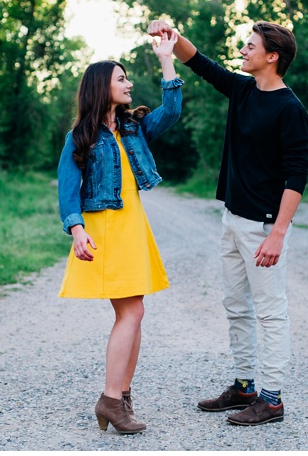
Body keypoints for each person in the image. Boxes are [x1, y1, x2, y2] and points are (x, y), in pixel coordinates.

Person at [146, 19, 308, 426]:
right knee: (236, 307)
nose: (243, 50)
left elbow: (297, 175)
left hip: (263, 228)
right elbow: (199, 62)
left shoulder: (290, 108)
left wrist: (277, 233)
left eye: (250, 46)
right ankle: (244, 387)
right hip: (232, 219)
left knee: (270, 313)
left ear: (272, 56)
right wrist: (171, 36)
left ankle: (271, 400)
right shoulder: (242, 90)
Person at [57, 29, 183, 435]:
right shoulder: (80, 137)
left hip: (132, 226)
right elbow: (66, 190)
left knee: (135, 313)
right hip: (104, 227)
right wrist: (77, 230)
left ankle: (121, 396)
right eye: (121, 79)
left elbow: (173, 110)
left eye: (128, 78)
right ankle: (111, 399)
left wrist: (167, 58)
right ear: (102, 88)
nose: (129, 84)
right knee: (130, 313)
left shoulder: (134, 128)